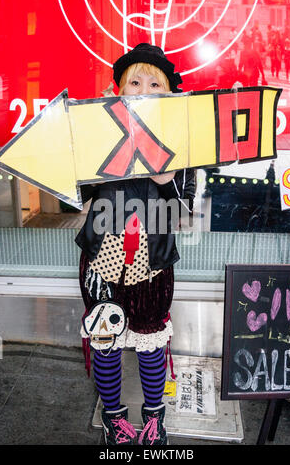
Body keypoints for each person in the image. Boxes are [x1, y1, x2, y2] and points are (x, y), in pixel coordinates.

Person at [75, 43, 196, 446]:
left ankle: (153, 418)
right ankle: (114, 418)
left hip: (154, 263)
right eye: (135, 81)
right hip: (101, 261)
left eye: (155, 83)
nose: (144, 88)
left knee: (150, 342)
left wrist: (169, 176)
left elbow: (188, 201)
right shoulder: (102, 131)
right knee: (105, 339)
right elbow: (74, 194)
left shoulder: (181, 140)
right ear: (119, 90)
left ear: (169, 94)